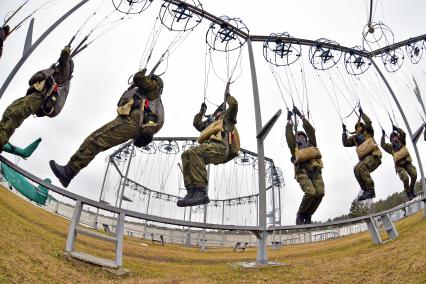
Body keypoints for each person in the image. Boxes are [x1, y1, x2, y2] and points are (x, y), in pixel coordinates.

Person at [49, 69, 164, 188]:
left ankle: (68, 172)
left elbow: (139, 78)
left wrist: (143, 71)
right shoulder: (153, 100)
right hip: (131, 124)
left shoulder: (153, 89)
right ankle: (69, 172)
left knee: (95, 140)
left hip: (130, 122)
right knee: (96, 140)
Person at [0, 46, 73, 152]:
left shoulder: (64, 73)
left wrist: (67, 49)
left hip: (38, 99)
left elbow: (64, 57)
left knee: (15, 115)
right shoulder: (56, 72)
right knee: (9, 111)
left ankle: (1, 140)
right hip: (33, 96)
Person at [178, 93, 239, 207]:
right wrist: (201, 112)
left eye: (218, 113)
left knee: (195, 152)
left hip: (220, 147)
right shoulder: (211, 124)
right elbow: (197, 124)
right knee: (186, 154)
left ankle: (200, 191)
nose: (216, 115)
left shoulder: (227, 119)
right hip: (210, 147)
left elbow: (234, 105)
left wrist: (228, 98)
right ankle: (191, 191)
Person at [285, 107, 324, 225]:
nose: (301, 137)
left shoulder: (312, 144)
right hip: (302, 172)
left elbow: (310, 131)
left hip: (315, 171)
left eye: (303, 136)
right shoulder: (295, 148)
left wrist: (302, 117)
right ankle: (301, 214)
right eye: (298, 136)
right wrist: (288, 122)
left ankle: (308, 214)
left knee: (320, 193)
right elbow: (289, 136)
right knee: (311, 192)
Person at [342, 107, 382, 201]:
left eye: (360, 126)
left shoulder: (369, 132)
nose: (358, 128)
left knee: (362, 166)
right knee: (356, 169)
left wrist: (362, 114)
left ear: (363, 127)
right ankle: (366, 190)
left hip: (374, 156)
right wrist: (344, 132)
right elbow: (345, 143)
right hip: (365, 160)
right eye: (357, 127)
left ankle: (371, 190)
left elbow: (369, 122)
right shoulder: (355, 138)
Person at [381, 126, 417, 200]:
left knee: (414, 174)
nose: (394, 139)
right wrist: (383, 135)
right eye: (392, 138)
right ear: (391, 140)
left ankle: (411, 189)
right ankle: (408, 193)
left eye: (395, 137)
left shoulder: (402, 142)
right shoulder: (391, 148)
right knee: (405, 178)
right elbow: (382, 145)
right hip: (399, 166)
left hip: (407, 162)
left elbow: (403, 133)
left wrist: (396, 129)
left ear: (397, 137)